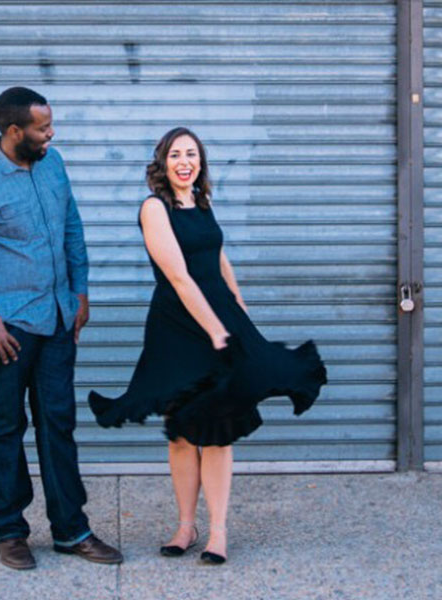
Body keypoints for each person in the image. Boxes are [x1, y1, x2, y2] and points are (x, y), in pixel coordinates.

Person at [89, 127, 327, 565]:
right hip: (179, 327)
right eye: (176, 154)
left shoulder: (202, 202)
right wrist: (215, 329)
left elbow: (219, 260)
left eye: (192, 154)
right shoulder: (154, 208)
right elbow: (179, 276)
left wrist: (239, 308)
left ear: (200, 162)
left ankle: (217, 532)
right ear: (162, 162)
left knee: (217, 430)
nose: (185, 161)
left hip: (219, 314)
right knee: (181, 431)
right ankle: (185, 526)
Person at [0, 87, 122, 570]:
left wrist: (80, 291)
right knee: (6, 427)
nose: (51, 133)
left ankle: (71, 530)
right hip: (8, 329)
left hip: (57, 319)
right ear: (14, 131)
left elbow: (71, 227)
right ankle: (10, 531)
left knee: (59, 424)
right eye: (42, 127)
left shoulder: (53, 165)